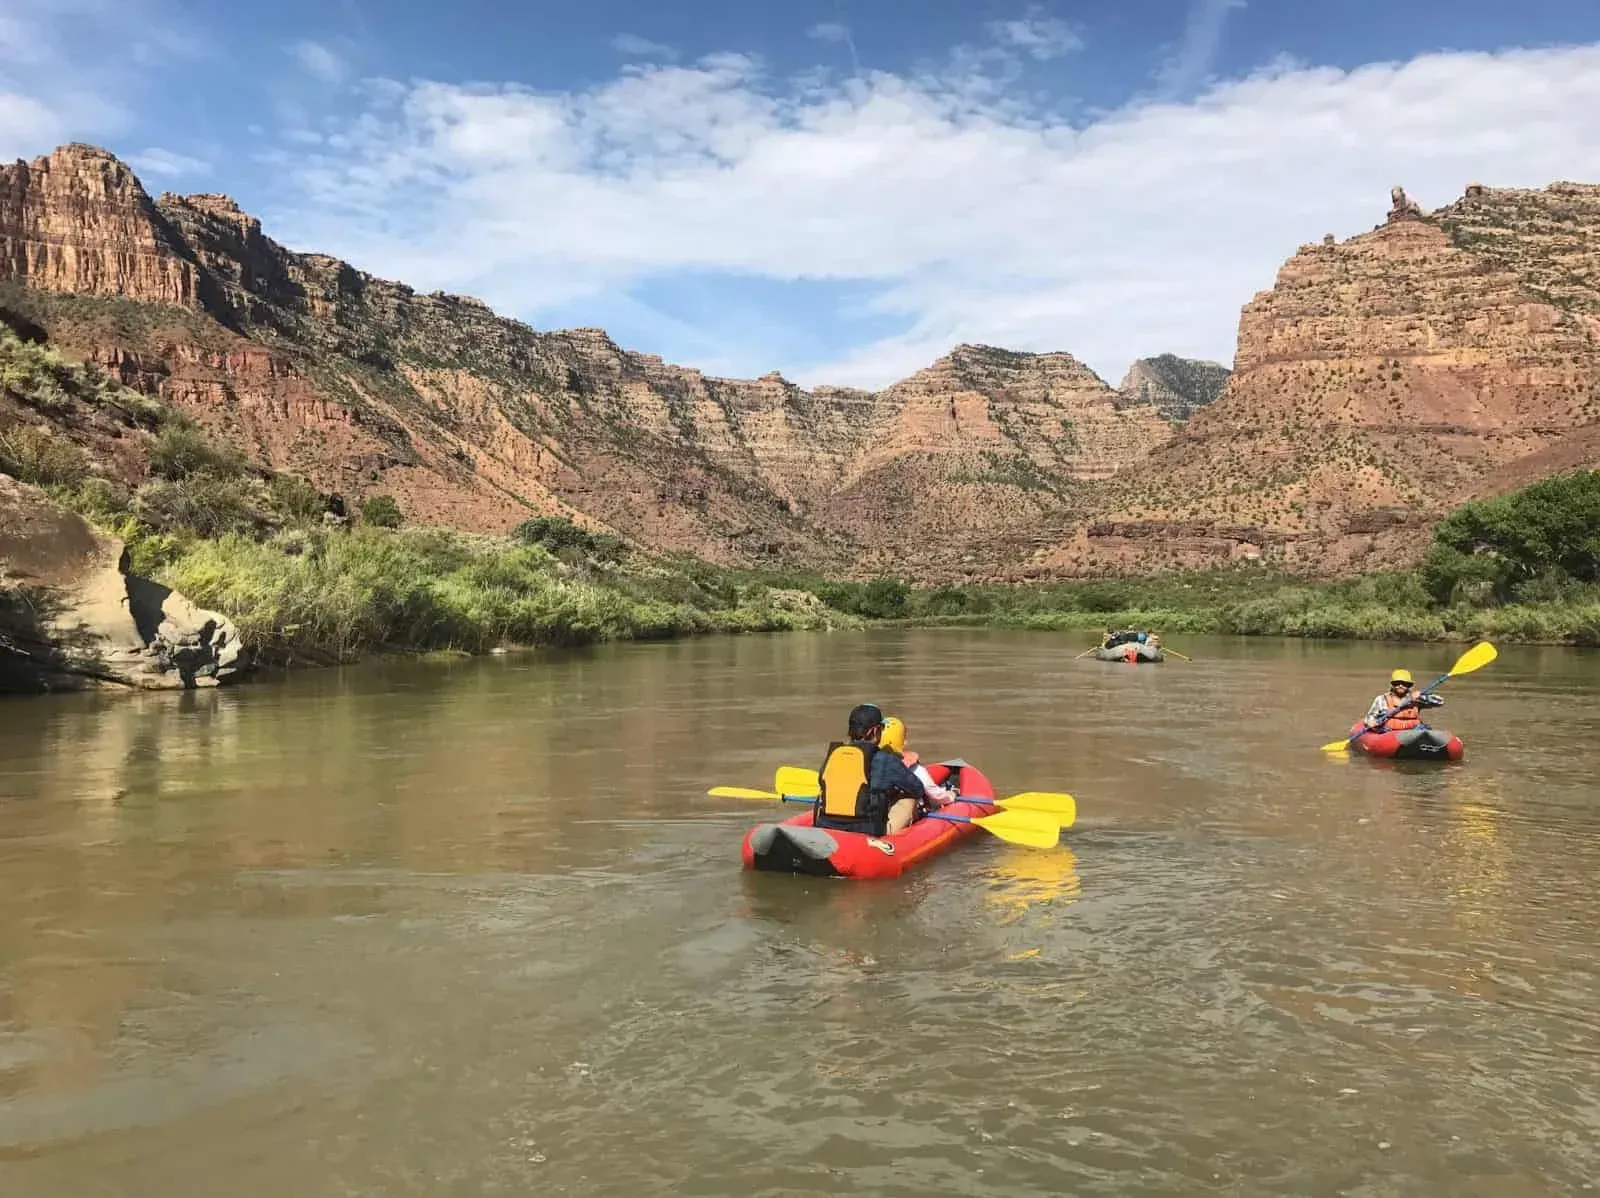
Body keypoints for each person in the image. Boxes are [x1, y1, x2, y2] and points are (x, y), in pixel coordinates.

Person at [814, 703, 930, 836]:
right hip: (865, 831)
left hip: (827, 825)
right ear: (875, 731)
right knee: (909, 798)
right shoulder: (885, 758)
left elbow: (821, 782)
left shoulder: (833, 754)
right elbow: (917, 789)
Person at [878, 716, 958, 807]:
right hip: (905, 811)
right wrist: (950, 796)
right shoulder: (915, 770)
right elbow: (935, 795)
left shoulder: (870, 762)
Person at [1364, 668, 1443, 731]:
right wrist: (1371, 722)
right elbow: (1370, 717)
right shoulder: (1381, 699)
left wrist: (1422, 697)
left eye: (1404, 683)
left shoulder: (1416, 699)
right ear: (1392, 685)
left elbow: (1440, 702)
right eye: (1397, 683)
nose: (1400, 685)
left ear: (1409, 685)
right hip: (1390, 732)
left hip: (1413, 731)